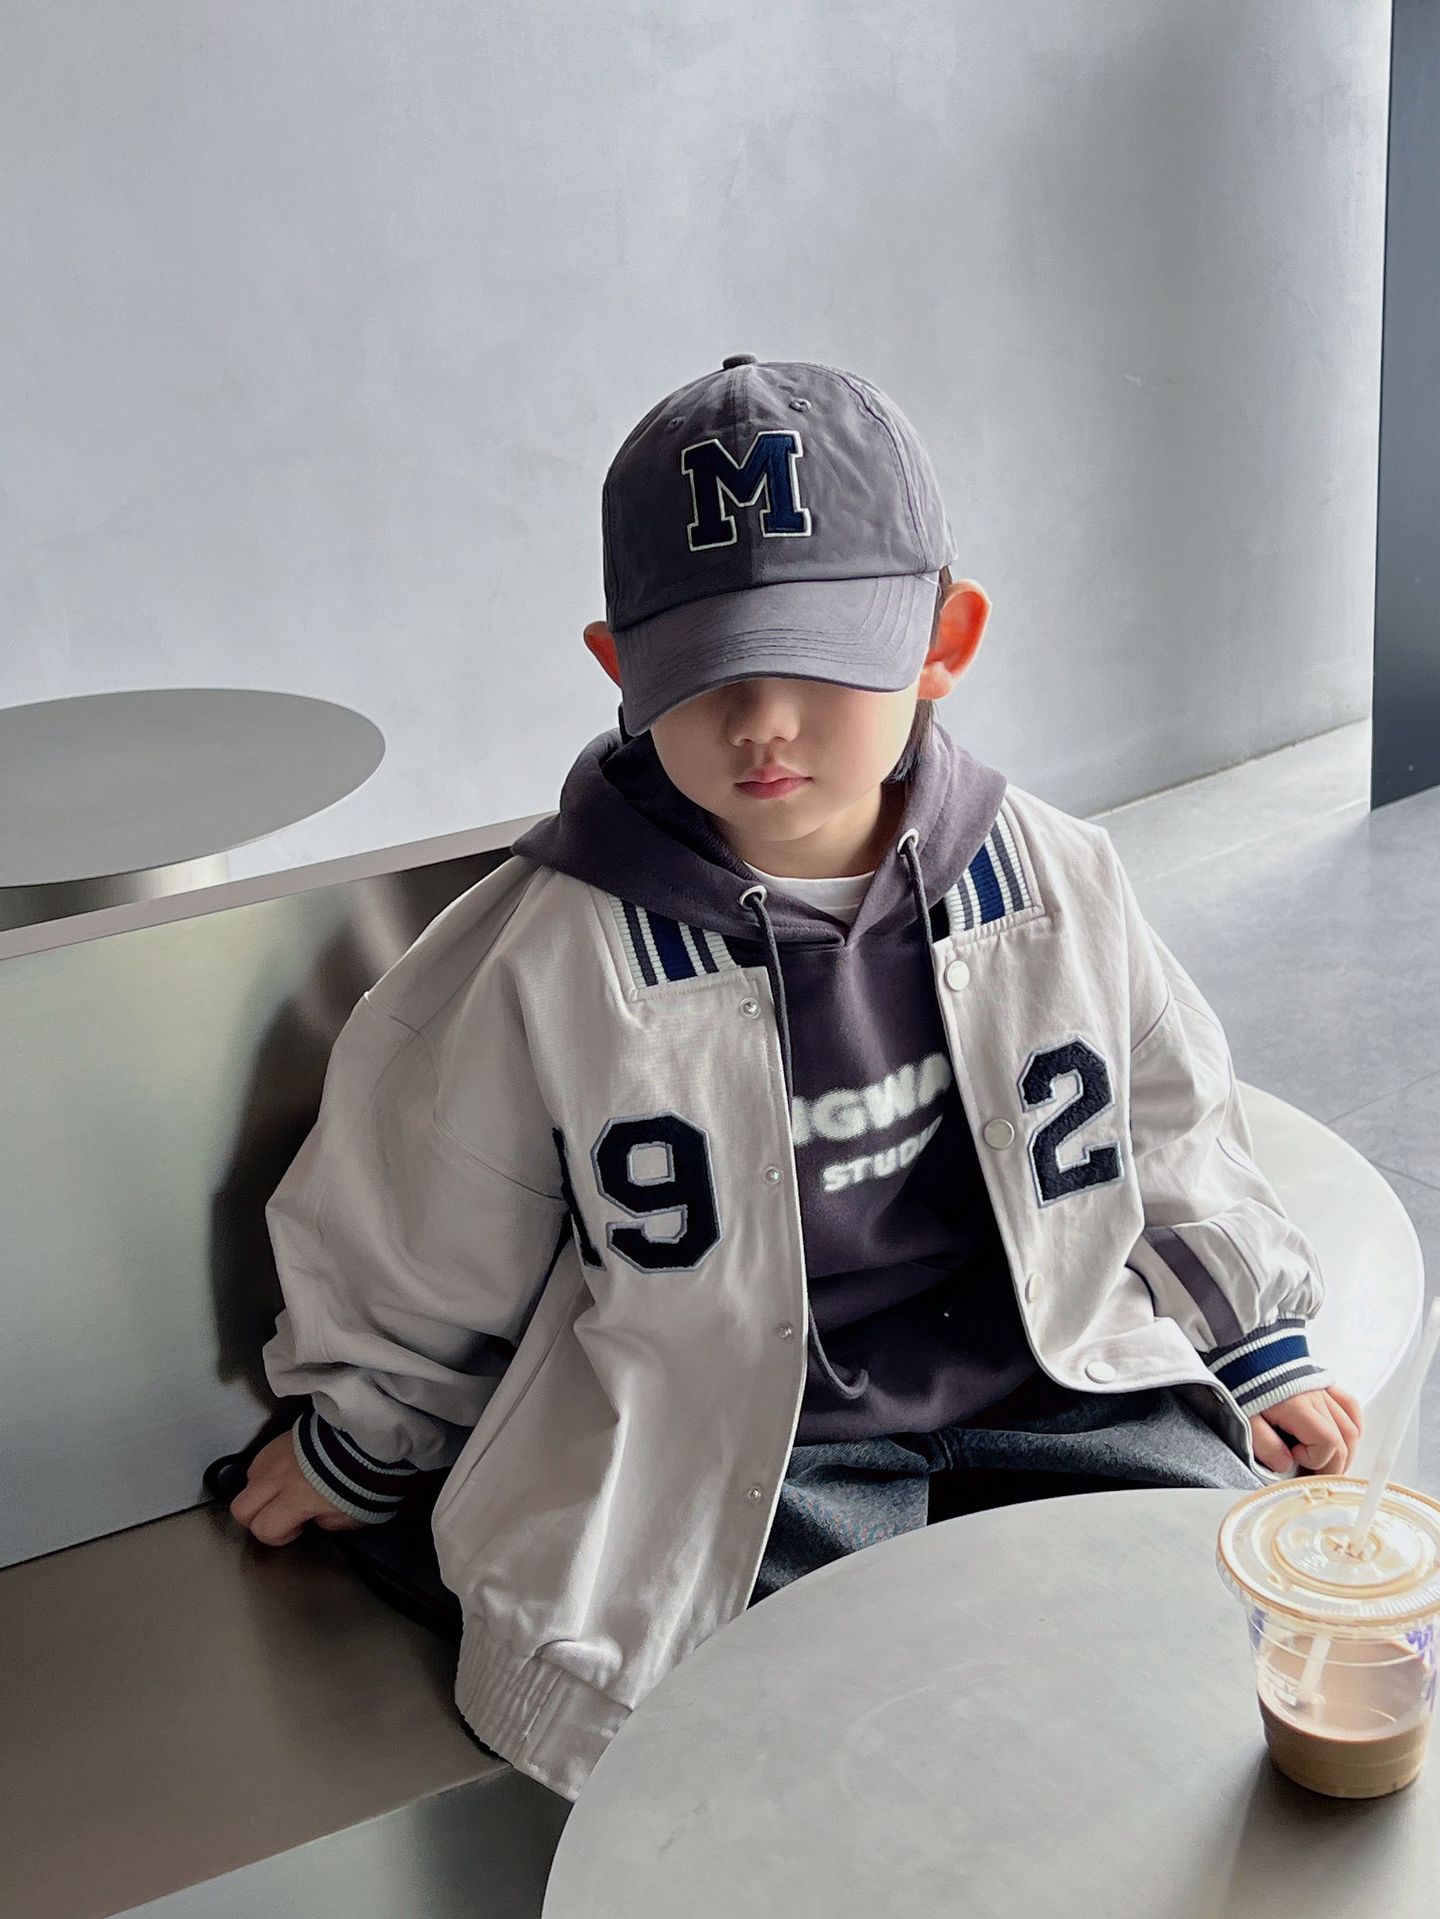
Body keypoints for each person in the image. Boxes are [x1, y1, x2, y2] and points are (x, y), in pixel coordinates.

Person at [229, 354, 1363, 1801]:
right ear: (620, 667)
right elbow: (432, 1213)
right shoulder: (559, 948)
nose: (762, 721)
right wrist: (361, 1437)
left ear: (945, 639)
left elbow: (1165, 1117)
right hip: (762, 1436)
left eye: (820, 662)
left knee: (1207, 1636)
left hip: (1050, 1368)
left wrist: (1250, 1334)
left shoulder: (1052, 878)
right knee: (782, 1744)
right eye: (706, 672)